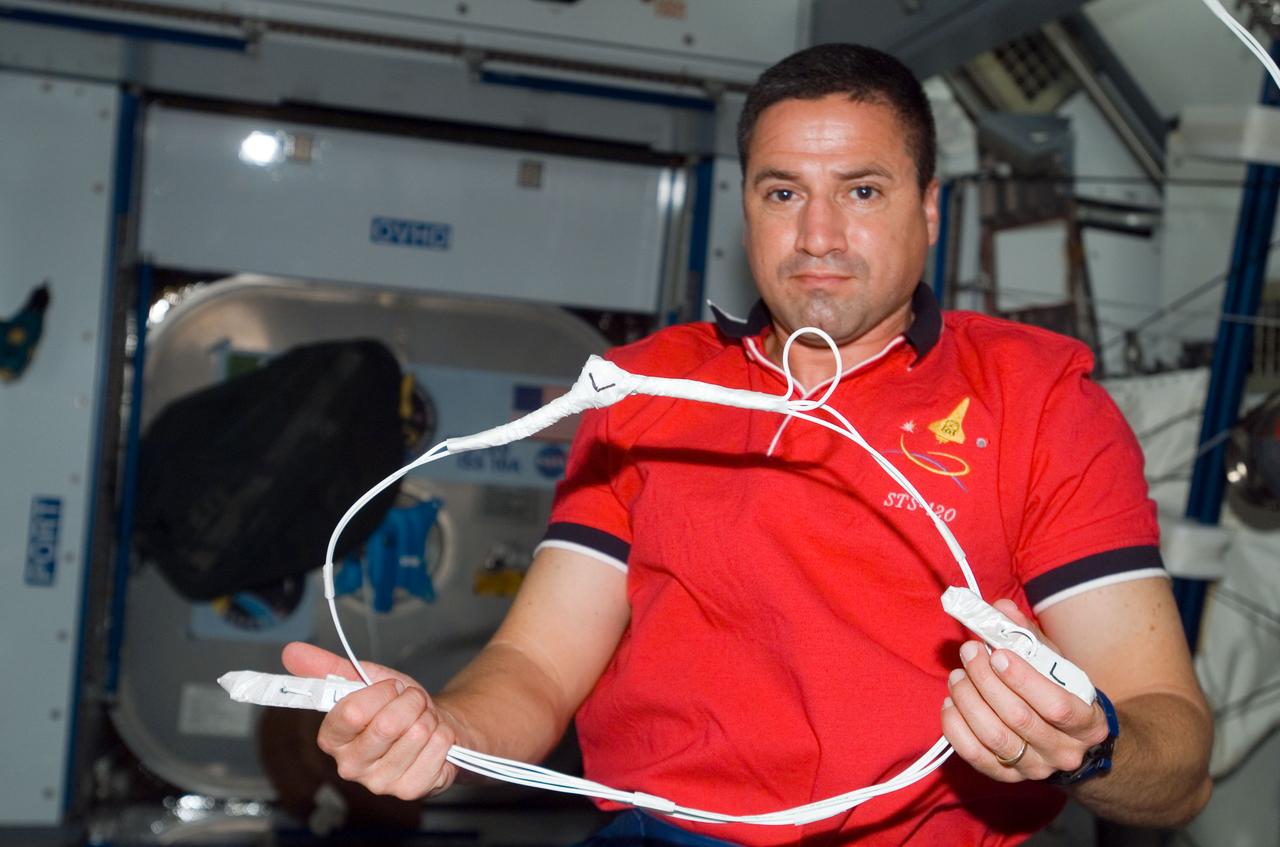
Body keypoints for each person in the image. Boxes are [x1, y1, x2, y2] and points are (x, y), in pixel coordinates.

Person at [284, 43, 1213, 846]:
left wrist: (1087, 745)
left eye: (861, 189)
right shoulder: (645, 389)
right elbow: (536, 667)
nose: (817, 235)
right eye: (783, 192)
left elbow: (1177, 762)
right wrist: (441, 728)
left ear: (928, 208)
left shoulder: (1038, 399)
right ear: (747, 208)